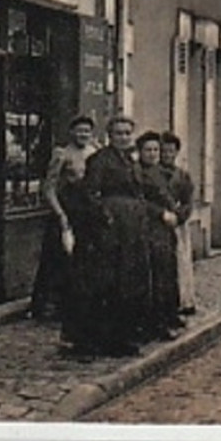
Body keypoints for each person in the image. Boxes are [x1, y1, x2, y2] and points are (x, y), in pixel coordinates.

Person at [66, 116, 153, 357]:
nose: (123, 138)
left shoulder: (131, 162)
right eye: (118, 134)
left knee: (127, 284)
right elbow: (90, 193)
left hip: (131, 231)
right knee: (102, 285)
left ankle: (120, 339)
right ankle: (90, 343)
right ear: (110, 136)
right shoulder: (100, 160)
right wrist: (106, 218)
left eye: (127, 133)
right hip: (107, 232)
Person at [32, 115, 95, 321]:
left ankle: (76, 305)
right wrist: (60, 215)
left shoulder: (94, 152)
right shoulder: (62, 154)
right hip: (66, 210)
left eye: (87, 131)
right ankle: (48, 306)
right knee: (57, 259)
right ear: (71, 132)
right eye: (79, 130)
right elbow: (49, 188)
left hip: (86, 212)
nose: (83, 134)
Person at [135, 131, 183, 340]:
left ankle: (167, 317)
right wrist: (161, 212)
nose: (153, 153)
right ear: (140, 152)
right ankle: (154, 325)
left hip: (164, 230)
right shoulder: (137, 173)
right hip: (147, 229)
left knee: (166, 275)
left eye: (156, 149)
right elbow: (140, 201)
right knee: (153, 278)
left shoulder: (160, 172)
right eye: (148, 150)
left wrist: (175, 211)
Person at [158, 132, 197, 316]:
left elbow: (189, 201)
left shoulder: (182, 176)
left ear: (176, 153)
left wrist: (180, 216)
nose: (167, 155)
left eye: (171, 151)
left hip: (178, 225)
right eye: (163, 151)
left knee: (180, 260)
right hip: (158, 223)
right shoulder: (152, 173)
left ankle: (184, 300)